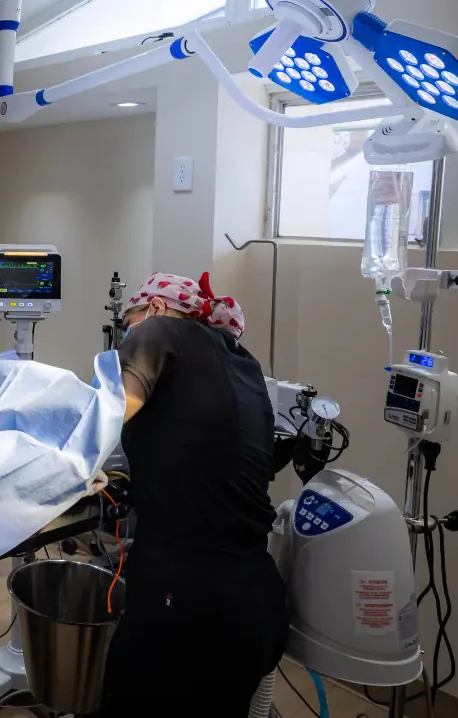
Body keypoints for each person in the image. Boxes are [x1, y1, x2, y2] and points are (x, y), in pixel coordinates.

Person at [100, 271, 287, 717]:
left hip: (186, 608)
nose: (127, 335)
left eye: (128, 323)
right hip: (254, 604)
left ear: (156, 308)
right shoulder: (245, 362)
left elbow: (105, 418)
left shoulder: (159, 331)